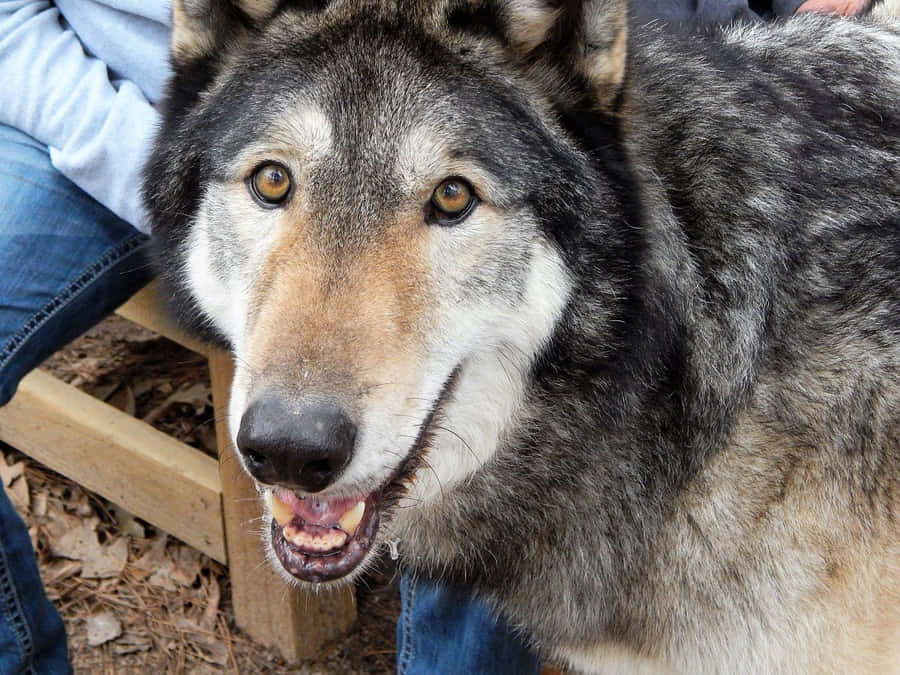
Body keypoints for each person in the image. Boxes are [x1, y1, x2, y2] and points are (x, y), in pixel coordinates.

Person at [0, 0, 875, 671]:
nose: (299, 422)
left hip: (506, 111)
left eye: (448, 199)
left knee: (478, 429)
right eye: (273, 183)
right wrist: (183, 172)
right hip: (115, 103)